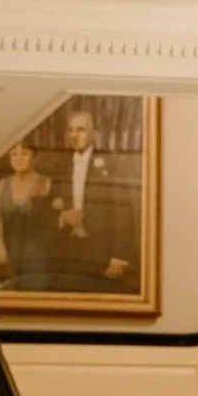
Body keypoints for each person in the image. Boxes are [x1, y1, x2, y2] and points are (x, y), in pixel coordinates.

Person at [46, 108, 140, 294]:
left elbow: (123, 212)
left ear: (94, 133)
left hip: (101, 251)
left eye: (80, 130)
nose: (74, 135)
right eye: (71, 130)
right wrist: (63, 217)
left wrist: (119, 256)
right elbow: (47, 206)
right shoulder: (60, 165)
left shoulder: (112, 164)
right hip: (67, 251)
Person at [0, 141, 53, 289]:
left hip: (36, 254)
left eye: (24, 154)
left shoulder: (45, 183)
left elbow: (50, 221)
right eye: (14, 154)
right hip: (7, 252)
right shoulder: (2, 184)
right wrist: (0, 249)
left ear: (34, 158)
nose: (19, 158)